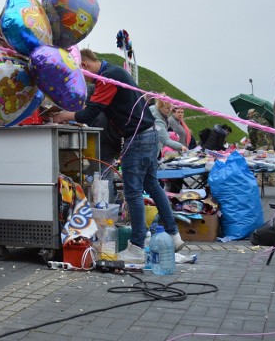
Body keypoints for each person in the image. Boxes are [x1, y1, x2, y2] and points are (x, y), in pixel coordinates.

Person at [53, 48, 184, 264]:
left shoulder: (107, 78)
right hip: (148, 136)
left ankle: (137, 247)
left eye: (81, 74)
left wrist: (62, 116)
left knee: (133, 193)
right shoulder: (114, 73)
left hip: (138, 138)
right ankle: (173, 234)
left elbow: (90, 113)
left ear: (84, 66)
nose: (84, 80)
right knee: (153, 185)